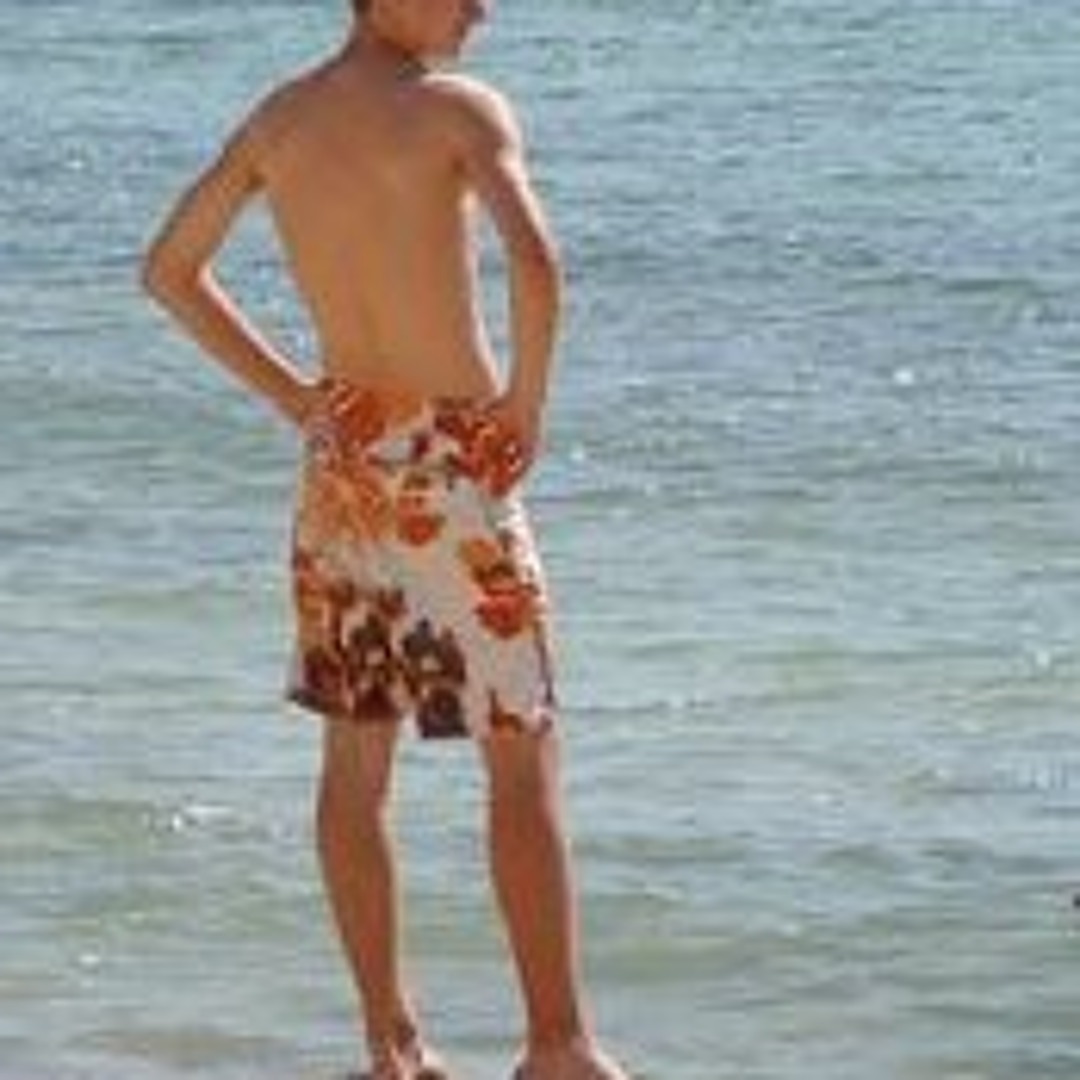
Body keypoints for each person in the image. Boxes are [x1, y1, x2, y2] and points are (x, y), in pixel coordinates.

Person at [141, 2, 631, 1078]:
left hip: (347, 469)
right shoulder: (458, 110)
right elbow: (536, 263)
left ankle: (391, 1045)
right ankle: (557, 1046)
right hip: (453, 468)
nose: (480, 8)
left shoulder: (282, 119)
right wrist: (525, 407)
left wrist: (297, 400)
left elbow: (169, 269)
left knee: (356, 757)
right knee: (521, 747)